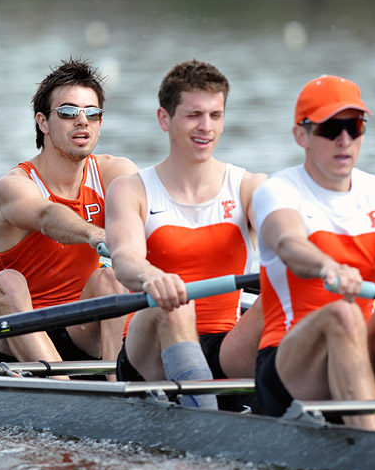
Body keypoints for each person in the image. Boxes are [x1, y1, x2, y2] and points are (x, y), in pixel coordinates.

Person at [253, 75, 375, 431]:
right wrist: (329, 266)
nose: (345, 139)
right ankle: (374, 447)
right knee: (343, 315)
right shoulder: (278, 190)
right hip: (289, 364)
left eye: (354, 126)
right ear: (301, 135)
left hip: (358, 355)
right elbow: (289, 244)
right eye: (331, 128)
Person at [105, 59, 264, 409]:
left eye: (215, 115)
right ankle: (206, 426)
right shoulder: (131, 189)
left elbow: (285, 239)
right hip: (150, 349)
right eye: (194, 115)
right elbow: (125, 258)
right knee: (177, 305)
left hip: (225, 347)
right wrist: (153, 277)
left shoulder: (250, 187)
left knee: (284, 289)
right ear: (165, 119)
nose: (206, 127)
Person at [0, 59, 137, 368]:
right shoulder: (14, 185)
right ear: (43, 122)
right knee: (6, 281)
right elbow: (47, 216)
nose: (82, 121)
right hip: (11, 331)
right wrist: (93, 232)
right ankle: (64, 388)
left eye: (92, 113)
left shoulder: (115, 172)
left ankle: (119, 388)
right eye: (67, 112)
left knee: (110, 279)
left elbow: (155, 212)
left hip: (79, 329)